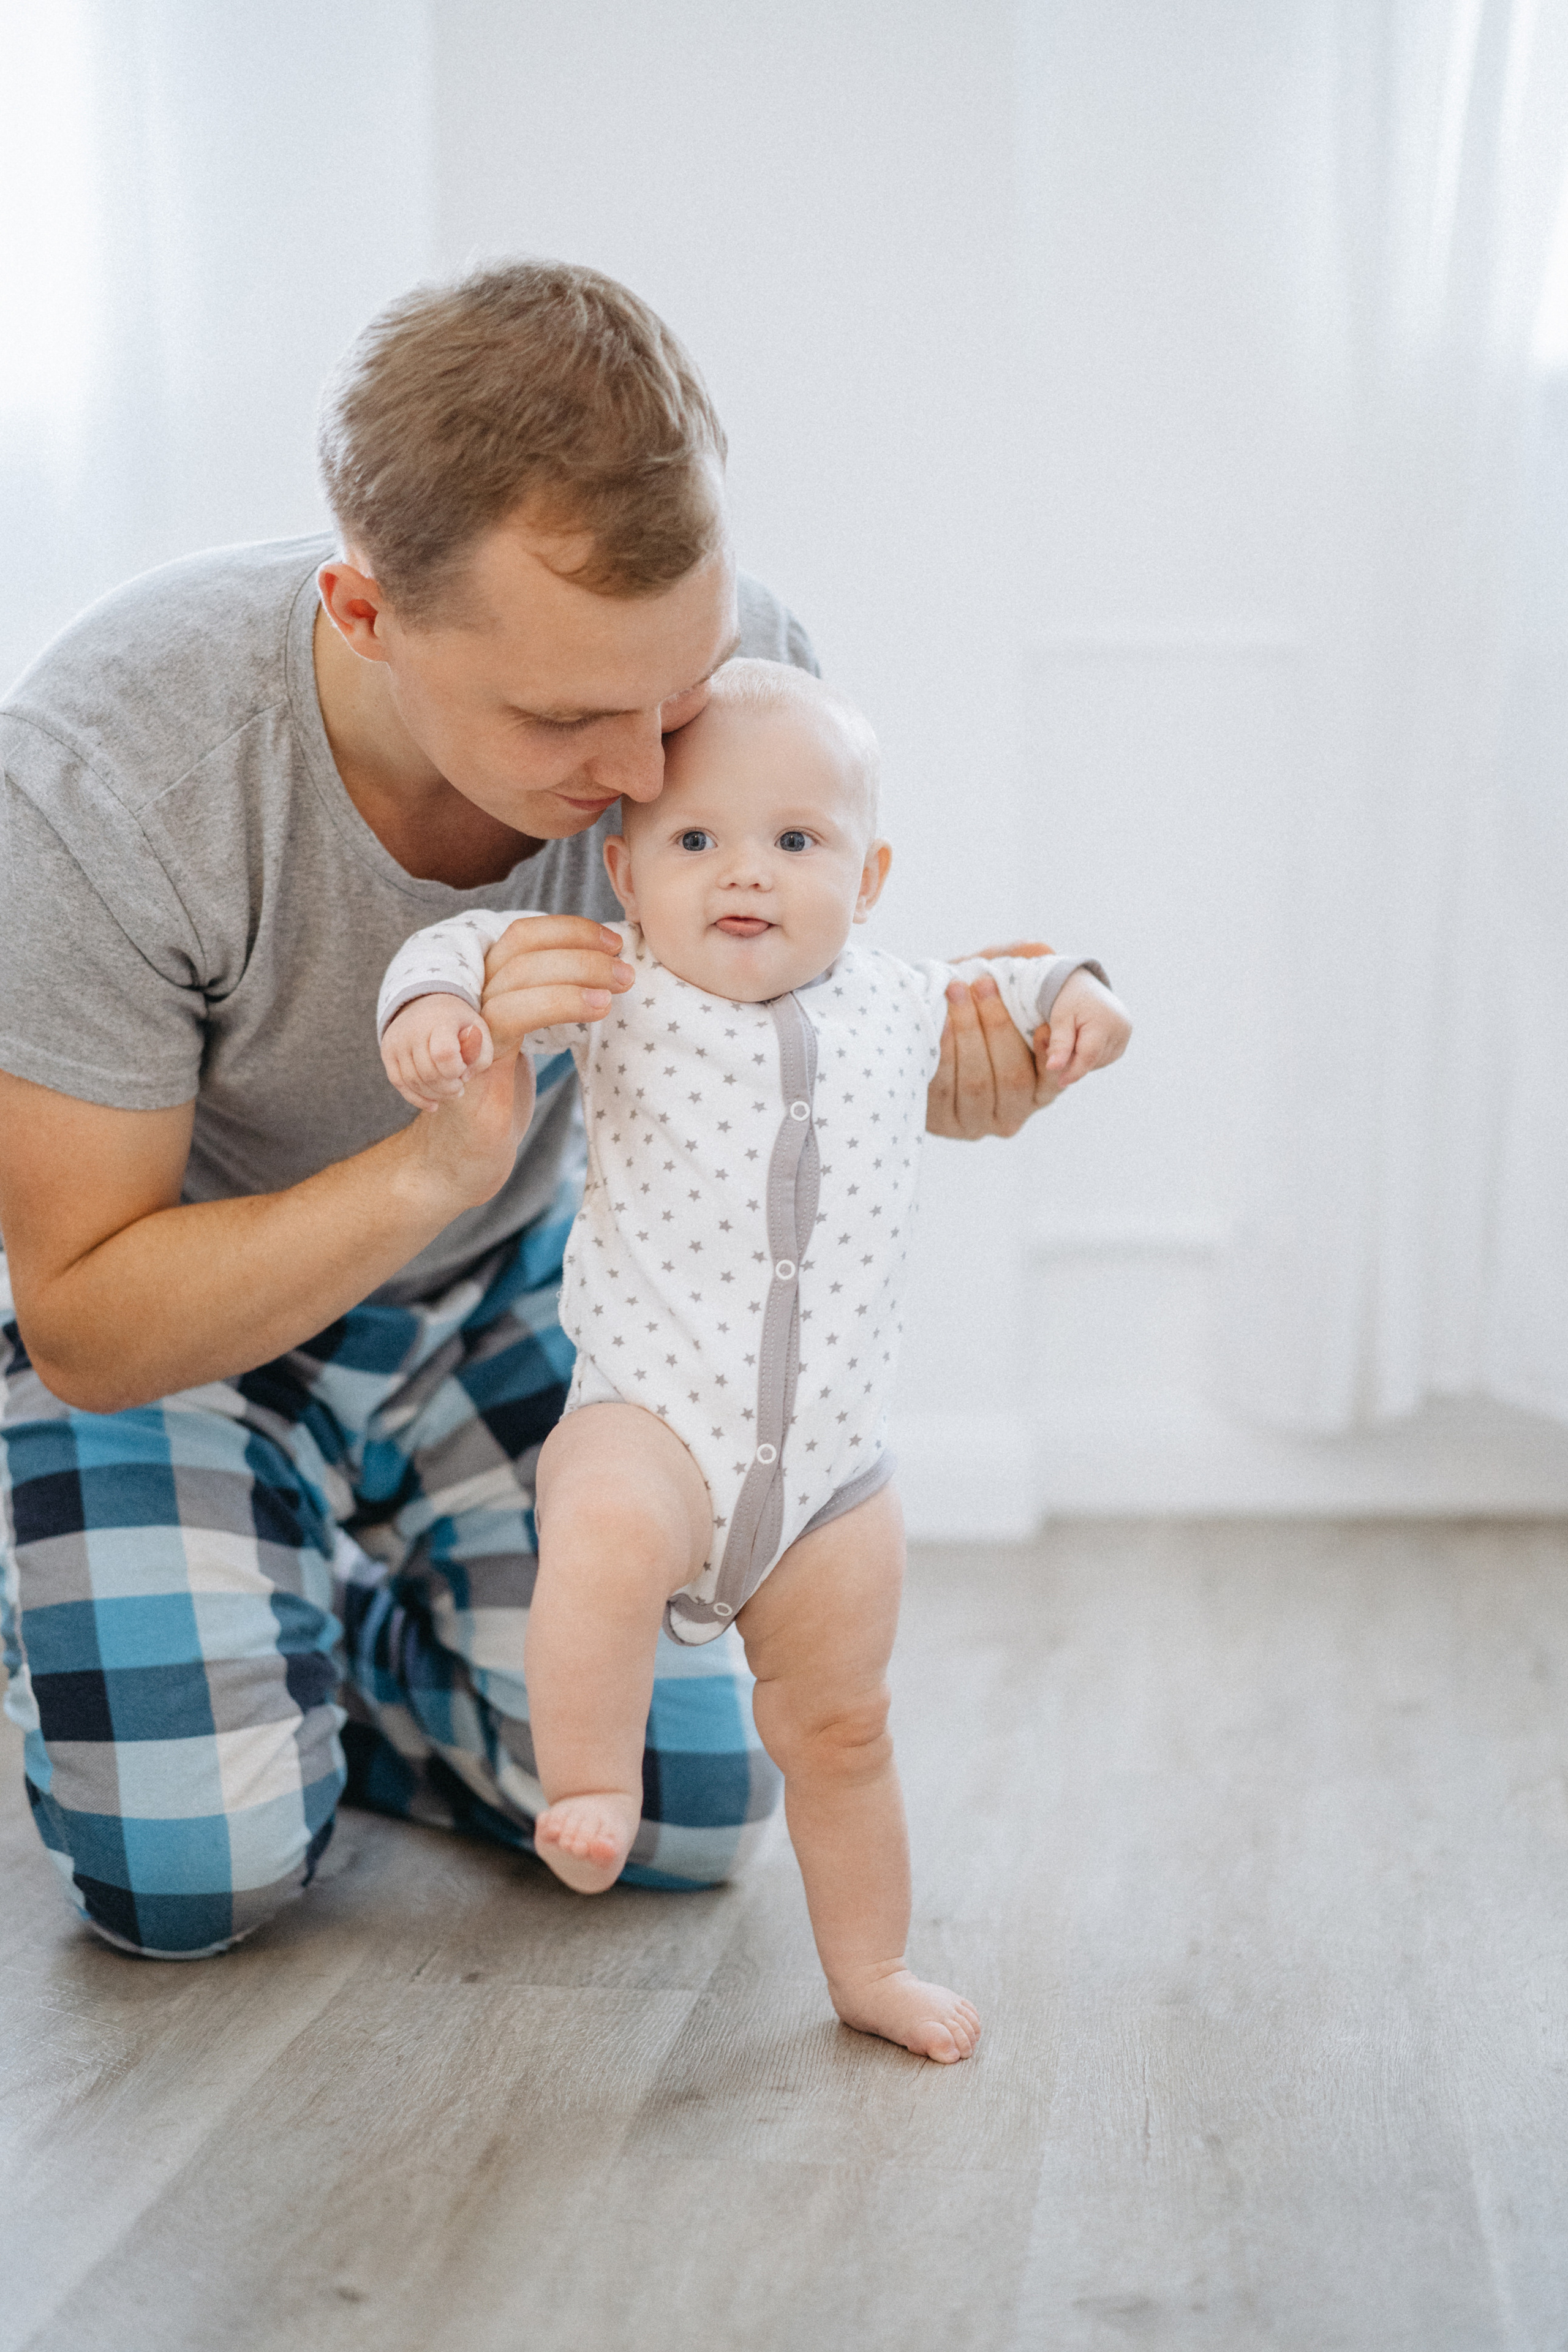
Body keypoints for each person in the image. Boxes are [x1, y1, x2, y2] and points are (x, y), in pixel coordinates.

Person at [1, 261, 1091, 1961]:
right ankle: (185, 1615)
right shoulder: (102, 772)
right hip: (189, 1331)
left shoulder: (742, 685)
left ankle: (334, 1637)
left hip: (525, 1319)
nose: (657, 773)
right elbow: (82, 1316)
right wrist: (437, 1160)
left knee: (683, 1815)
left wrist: (954, 1074)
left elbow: (810, 1040)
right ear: (363, 612)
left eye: (682, 687)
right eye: (570, 717)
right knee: (189, 1884)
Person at [377, 659, 1131, 2060]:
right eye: (695, 841)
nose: (744, 876)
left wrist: (1082, 1001)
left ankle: (871, 1969)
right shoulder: (620, 985)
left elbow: (1022, 981)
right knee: (596, 1533)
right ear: (624, 871)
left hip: (830, 1477)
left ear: (869, 871)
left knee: (842, 1732)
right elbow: (459, 950)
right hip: (652, 1419)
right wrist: (431, 1014)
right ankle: (588, 1780)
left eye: (795, 842)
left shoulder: (902, 1002)